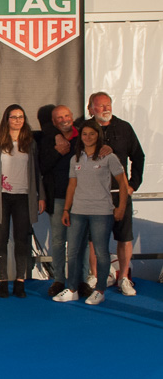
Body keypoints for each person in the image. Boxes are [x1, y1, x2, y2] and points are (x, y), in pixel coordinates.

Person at [53, 120, 128, 305]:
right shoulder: (75, 159)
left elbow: (123, 183)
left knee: (101, 253)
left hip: (102, 212)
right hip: (78, 211)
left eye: (92, 134)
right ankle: (72, 289)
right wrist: (66, 209)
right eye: (84, 134)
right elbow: (72, 185)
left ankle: (100, 290)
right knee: (73, 251)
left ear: (98, 136)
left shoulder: (108, 157)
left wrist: (121, 207)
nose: (88, 137)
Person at [85, 92, 144, 296]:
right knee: (94, 239)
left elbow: (138, 156)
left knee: (124, 237)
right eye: (100, 106)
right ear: (91, 109)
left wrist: (133, 185)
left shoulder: (124, 128)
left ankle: (124, 278)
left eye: (108, 105)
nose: (105, 109)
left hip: (120, 194)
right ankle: (95, 276)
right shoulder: (84, 129)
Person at [0, 105, 46, 298]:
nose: (17, 120)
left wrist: (41, 196)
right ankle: (3, 280)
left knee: (22, 240)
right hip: (2, 197)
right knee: (1, 240)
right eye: (13, 117)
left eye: (21, 117)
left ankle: (20, 280)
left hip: (24, 196)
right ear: (6, 119)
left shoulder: (30, 142)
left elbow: (37, 171)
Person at [39, 105, 79, 296]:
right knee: (58, 241)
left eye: (66, 116)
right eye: (59, 118)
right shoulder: (47, 140)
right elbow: (42, 166)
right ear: (53, 122)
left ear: (72, 117)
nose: (64, 120)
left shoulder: (83, 137)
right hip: (57, 198)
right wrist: (57, 152)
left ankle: (79, 280)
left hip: (81, 198)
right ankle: (59, 280)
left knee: (79, 241)